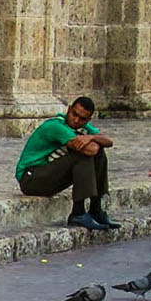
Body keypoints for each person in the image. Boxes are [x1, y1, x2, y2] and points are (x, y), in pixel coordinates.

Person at [15, 96, 119, 231]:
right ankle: (78, 212)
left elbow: (109, 141)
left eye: (82, 119)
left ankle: (95, 209)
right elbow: (91, 149)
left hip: (50, 176)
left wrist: (91, 137)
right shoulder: (55, 126)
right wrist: (92, 141)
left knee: (99, 153)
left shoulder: (84, 128)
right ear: (69, 110)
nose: (76, 120)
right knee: (82, 154)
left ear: (88, 119)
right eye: (74, 114)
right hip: (31, 178)